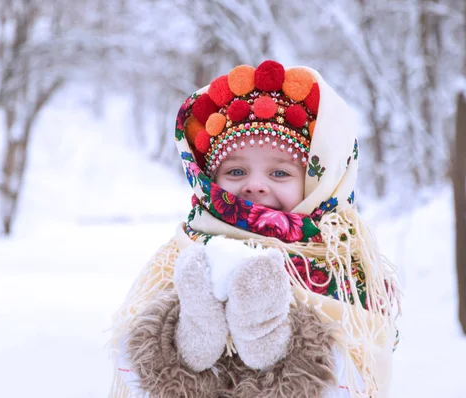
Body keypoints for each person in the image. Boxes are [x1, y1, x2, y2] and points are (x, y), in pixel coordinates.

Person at [108, 60, 401, 398]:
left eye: (279, 174)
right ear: (210, 181)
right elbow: (128, 359)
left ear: (318, 184)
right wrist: (181, 340)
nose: (255, 186)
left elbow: (360, 375)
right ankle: (193, 336)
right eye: (236, 172)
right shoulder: (185, 253)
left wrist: (280, 340)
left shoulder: (341, 261)